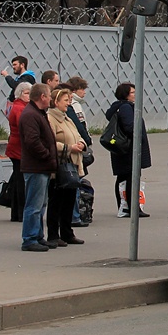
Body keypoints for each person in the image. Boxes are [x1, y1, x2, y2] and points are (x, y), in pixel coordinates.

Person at [46, 87, 85, 247]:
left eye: (69, 100)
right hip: (60, 166)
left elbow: (78, 134)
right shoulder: (50, 119)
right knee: (56, 201)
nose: (68, 103)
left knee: (69, 200)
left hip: (73, 164)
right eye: (65, 101)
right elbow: (50, 142)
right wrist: (69, 147)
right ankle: (53, 234)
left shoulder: (67, 118)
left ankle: (67, 233)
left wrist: (81, 143)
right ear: (56, 102)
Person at [19, 84, 55, 252]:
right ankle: (30, 238)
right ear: (42, 96)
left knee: (40, 205)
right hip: (36, 166)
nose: (50, 99)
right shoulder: (31, 115)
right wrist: (46, 154)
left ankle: (38, 236)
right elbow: (32, 141)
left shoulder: (37, 113)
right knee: (34, 205)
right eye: (49, 96)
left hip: (41, 166)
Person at [106, 83, 150, 218]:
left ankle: (124, 206)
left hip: (121, 148)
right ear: (125, 94)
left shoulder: (119, 107)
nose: (135, 94)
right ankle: (132, 207)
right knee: (131, 177)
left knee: (123, 177)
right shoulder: (126, 108)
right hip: (128, 149)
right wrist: (138, 137)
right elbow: (130, 127)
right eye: (132, 92)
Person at [64, 76, 94, 227]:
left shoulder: (74, 104)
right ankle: (75, 215)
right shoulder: (73, 106)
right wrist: (86, 141)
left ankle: (74, 214)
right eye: (82, 89)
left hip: (76, 146)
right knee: (75, 181)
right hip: (73, 149)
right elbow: (79, 125)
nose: (84, 92)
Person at [5, 82, 33, 223]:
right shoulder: (19, 108)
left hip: (16, 147)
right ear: (20, 94)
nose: (29, 96)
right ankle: (20, 212)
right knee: (21, 182)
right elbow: (24, 129)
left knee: (18, 180)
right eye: (27, 93)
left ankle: (16, 212)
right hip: (19, 148)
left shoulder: (19, 107)